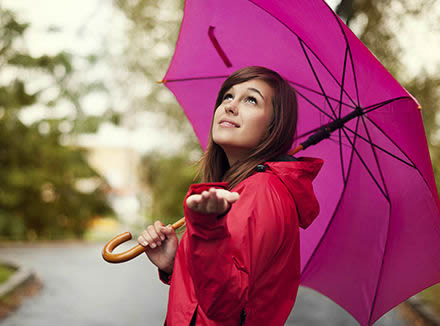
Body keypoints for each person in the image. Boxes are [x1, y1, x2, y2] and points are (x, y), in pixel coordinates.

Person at [137, 66, 323, 325]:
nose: (231, 106)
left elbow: (226, 306)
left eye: (251, 99)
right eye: (227, 96)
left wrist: (206, 230)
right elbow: (220, 291)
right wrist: (175, 265)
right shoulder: (241, 188)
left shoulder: (262, 192)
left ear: (273, 127)